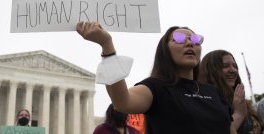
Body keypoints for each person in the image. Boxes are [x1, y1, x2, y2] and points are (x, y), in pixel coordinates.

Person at [76, 21, 236, 134]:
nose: (190, 43)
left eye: (195, 40)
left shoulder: (214, 92)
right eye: (180, 39)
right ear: (165, 51)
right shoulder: (156, 88)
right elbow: (122, 102)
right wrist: (107, 44)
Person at [199, 50, 263, 134]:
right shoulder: (202, 103)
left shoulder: (244, 103)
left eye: (235, 66)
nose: (233, 70)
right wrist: (238, 114)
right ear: (211, 71)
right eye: (225, 66)